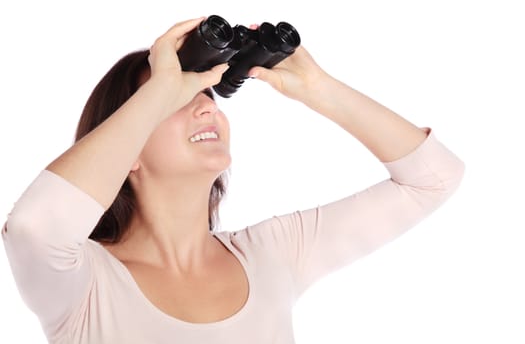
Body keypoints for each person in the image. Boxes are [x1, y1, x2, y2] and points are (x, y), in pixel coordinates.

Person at [2, 17, 465, 344]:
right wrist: (161, 87)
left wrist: (317, 87)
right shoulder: (84, 285)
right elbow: (32, 228)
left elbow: (434, 178)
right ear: (126, 150)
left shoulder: (272, 254)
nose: (207, 106)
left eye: (205, 93)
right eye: (177, 98)